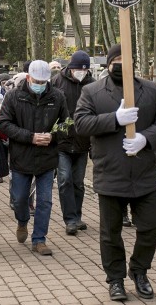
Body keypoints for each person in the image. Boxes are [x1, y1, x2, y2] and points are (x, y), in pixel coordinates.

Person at [74, 44, 156, 301]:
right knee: (110, 233)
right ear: (108, 63)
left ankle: (139, 271)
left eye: (126, 60)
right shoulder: (92, 91)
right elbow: (81, 124)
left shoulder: (150, 90)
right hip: (110, 172)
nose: (121, 64)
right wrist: (114, 119)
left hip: (144, 173)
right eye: (116, 60)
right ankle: (115, 279)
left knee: (153, 225)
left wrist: (145, 137)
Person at [0, 60, 68, 256]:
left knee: (45, 201)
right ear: (28, 77)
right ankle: (22, 221)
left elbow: (67, 124)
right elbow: (3, 124)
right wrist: (30, 137)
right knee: (20, 199)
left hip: (47, 158)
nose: (40, 84)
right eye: (37, 80)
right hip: (22, 157)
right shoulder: (14, 97)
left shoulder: (57, 97)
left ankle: (39, 239)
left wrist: (53, 136)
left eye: (44, 81)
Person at [51, 50, 95, 236]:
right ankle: (69, 220)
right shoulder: (56, 82)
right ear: (70, 67)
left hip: (83, 142)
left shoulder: (93, 85)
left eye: (85, 70)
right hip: (62, 141)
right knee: (64, 180)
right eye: (78, 69)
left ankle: (77, 216)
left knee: (78, 182)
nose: (81, 73)